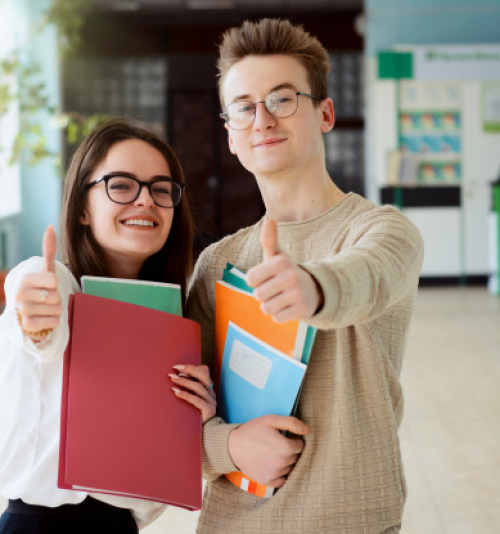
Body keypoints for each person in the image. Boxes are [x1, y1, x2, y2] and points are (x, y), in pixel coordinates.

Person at [186, 18, 424, 534]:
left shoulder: (383, 231)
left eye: (282, 99)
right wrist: (227, 445)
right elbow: (177, 421)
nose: (262, 119)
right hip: (231, 523)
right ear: (230, 134)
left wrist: (312, 287)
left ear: (325, 113)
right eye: (244, 107)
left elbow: (367, 277)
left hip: (352, 517)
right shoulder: (218, 264)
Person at [0, 118, 216, 534]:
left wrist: (197, 416)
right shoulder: (54, 283)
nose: (145, 201)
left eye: (160, 189)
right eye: (121, 185)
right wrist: (36, 320)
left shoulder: (173, 320)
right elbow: (37, 326)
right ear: (82, 207)